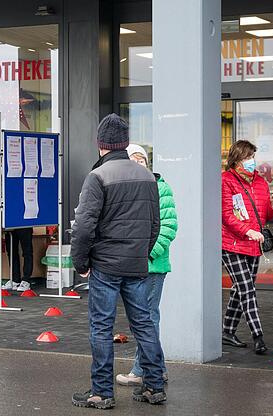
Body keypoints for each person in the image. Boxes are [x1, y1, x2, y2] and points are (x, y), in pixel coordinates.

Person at [70, 114, 165, 409]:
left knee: (101, 327)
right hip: (136, 266)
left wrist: (80, 262)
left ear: (101, 144)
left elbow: (84, 226)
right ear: (124, 142)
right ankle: (154, 385)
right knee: (144, 324)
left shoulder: (98, 176)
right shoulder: (148, 176)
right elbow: (154, 224)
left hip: (106, 266)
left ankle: (102, 392)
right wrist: (143, 252)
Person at [116, 144, 178, 387]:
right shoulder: (128, 190)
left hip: (151, 266)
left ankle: (141, 370)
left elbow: (168, 228)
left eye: (141, 159)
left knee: (147, 318)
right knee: (145, 318)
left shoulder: (161, 188)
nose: (138, 163)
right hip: (134, 265)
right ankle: (157, 368)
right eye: (133, 159)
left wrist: (146, 255)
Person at [221, 140, 273, 355]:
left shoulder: (260, 182)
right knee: (247, 289)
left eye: (252, 157)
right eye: (247, 158)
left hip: (253, 244)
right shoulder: (226, 181)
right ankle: (258, 336)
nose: (251, 161)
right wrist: (247, 231)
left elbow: (264, 215)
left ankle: (227, 332)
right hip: (232, 243)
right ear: (236, 159)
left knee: (240, 289)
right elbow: (228, 215)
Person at [1, 227, 34, 292]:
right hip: (10, 225)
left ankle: (26, 280)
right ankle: (15, 280)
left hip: (25, 224)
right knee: (11, 252)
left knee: (27, 252)